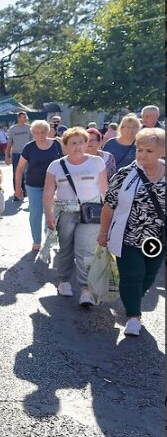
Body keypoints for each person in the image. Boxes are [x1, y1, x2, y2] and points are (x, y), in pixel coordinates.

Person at [98, 127, 165, 336]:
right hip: (128, 236)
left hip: (157, 238)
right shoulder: (125, 174)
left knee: (150, 274)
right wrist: (103, 232)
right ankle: (134, 317)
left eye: (149, 151)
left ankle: (131, 295)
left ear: (162, 151)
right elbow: (108, 206)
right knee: (133, 274)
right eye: (140, 149)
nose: (143, 155)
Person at [43, 128, 107, 307]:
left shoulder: (96, 162)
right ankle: (64, 280)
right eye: (73, 143)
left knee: (85, 250)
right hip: (65, 212)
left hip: (91, 213)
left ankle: (85, 290)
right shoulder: (55, 165)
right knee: (65, 248)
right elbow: (48, 192)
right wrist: (48, 215)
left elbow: (105, 190)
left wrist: (109, 215)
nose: (78, 146)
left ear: (87, 144)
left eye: (81, 142)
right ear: (65, 147)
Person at [15, 120, 63, 251]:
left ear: (48, 132)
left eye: (42, 132)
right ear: (32, 133)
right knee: (35, 214)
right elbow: (19, 169)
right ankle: (36, 241)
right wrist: (17, 187)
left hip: (54, 185)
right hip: (33, 185)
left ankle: (49, 238)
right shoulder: (29, 147)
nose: (40, 134)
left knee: (51, 214)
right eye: (36, 132)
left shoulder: (56, 145)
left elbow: (65, 163)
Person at [6, 112, 33, 201]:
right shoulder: (13, 129)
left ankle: (25, 191)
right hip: (16, 154)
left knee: (27, 174)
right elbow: (10, 142)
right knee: (16, 173)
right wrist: (7, 155)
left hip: (28, 154)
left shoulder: (29, 128)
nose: (25, 118)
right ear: (18, 118)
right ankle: (17, 193)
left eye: (25, 117)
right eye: (23, 117)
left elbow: (33, 141)